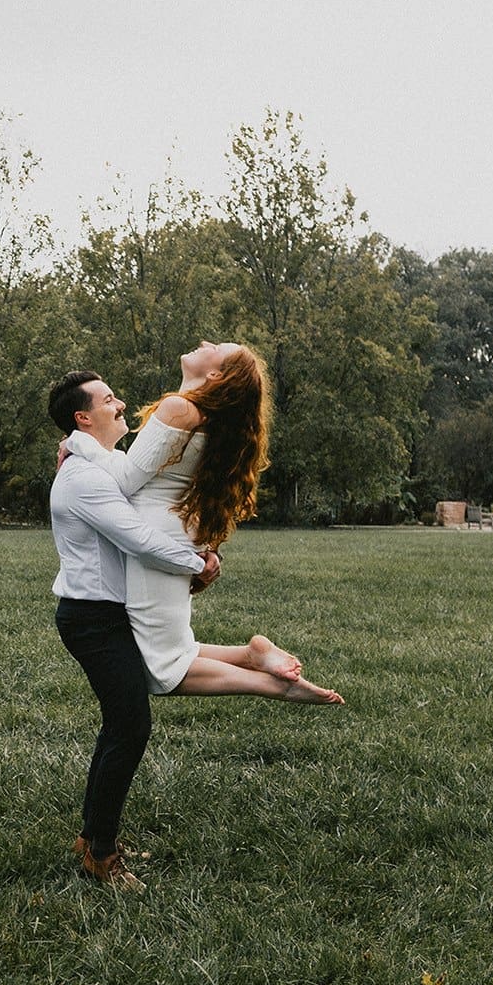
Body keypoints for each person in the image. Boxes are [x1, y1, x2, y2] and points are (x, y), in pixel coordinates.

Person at [61, 342, 344, 705]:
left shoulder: (179, 408)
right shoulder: (205, 418)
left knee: (161, 667)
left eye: (215, 348)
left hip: (156, 538)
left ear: (215, 375)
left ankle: (273, 685)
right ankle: (250, 656)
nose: (205, 344)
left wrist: (79, 444)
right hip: (177, 534)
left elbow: (126, 479)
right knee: (173, 647)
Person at [48, 370, 217, 892]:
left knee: (119, 725)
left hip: (105, 615)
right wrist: (197, 563)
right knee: (130, 727)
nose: (120, 404)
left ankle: (91, 836)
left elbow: (137, 482)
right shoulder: (83, 478)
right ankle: (101, 855)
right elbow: (138, 537)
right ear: (84, 417)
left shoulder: (101, 464)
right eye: (108, 400)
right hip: (93, 620)